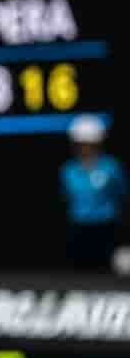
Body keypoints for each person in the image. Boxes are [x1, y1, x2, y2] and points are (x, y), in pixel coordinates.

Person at [61, 115, 125, 271]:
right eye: (81, 144)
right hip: (79, 228)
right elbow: (66, 197)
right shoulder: (69, 170)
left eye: (89, 144)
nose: (85, 148)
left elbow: (121, 194)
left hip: (107, 227)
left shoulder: (112, 167)